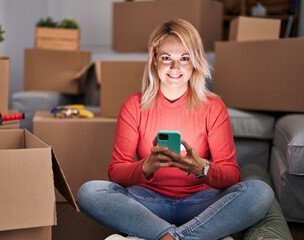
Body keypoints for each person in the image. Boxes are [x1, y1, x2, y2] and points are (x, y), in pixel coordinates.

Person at [77, 19, 274, 240]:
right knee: (89, 192)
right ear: (154, 60)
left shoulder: (213, 107)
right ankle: (186, 236)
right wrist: (146, 167)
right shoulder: (134, 105)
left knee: (260, 193)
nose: (175, 67)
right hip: (149, 204)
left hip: (202, 203)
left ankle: (167, 237)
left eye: (184, 58)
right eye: (166, 58)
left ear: (195, 62)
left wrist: (202, 168)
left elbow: (231, 175)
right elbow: (116, 172)